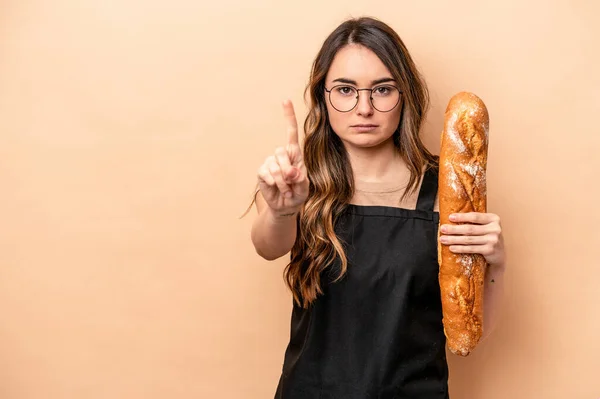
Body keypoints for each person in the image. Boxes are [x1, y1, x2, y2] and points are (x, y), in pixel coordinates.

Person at [249, 16, 506, 399]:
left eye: (382, 90)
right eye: (345, 90)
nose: (364, 108)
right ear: (324, 96)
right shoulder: (300, 180)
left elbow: (468, 336)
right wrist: (283, 210)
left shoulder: (446, 191)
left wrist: (497, 262)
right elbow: (267, 247)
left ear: (405, 95)